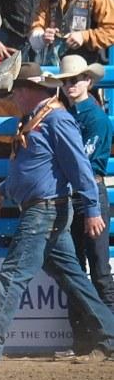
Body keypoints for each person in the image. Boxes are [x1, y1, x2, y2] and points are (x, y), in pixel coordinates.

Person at [0, 63, 114, 364]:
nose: (13, 96)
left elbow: (80, 168)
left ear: (29, 91)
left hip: (44, 211)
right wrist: (2, 192)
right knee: (74, 278)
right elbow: (30, 170)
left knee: (13, 274)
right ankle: (111, 337)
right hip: (47, 209)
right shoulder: (39, 119)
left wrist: (91, 208)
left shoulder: (56, 120)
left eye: (17, 90)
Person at [53, 54, 114, 359]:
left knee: (98, 271)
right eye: (66, 81)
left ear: (88, 81)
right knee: (77, 270)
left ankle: (106, 341)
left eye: (74, 80)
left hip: (89, 196)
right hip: (78, 197)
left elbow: (84, 165)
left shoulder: (96, 119)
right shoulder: (75, 115)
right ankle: (84, 342)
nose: (70, 85)